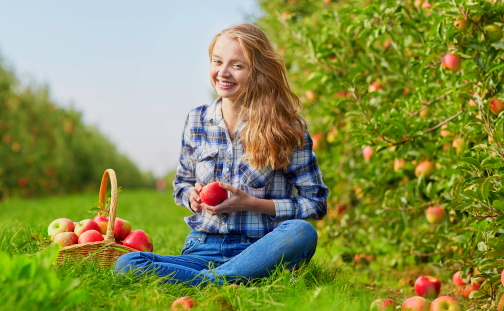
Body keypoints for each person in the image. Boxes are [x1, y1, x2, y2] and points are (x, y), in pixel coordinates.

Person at [115, 23, 328, 286]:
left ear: (258, 70)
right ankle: (221, 281)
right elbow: (181, 184)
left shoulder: (287, 127)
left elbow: (316, 202)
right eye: (217, 61)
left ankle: (208, 281)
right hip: (203, 248)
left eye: (237, 65)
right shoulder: (197, 120)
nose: (223, 73)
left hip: (260, 250)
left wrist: (252, 203)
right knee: (127, 264)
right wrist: (190, 196)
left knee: (302, 232)